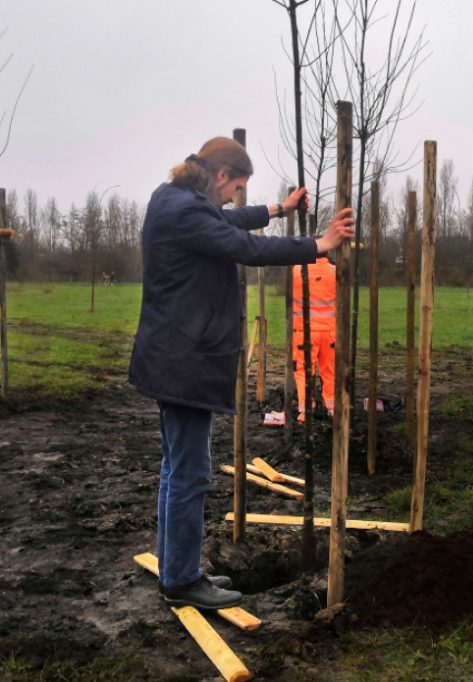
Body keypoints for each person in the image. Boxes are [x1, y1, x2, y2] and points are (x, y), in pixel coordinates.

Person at [128, 137, 355, 610]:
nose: (235, 197)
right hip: (185, 360)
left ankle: (177, 570)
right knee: (190, 472)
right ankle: (183, 580)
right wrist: (319, 244)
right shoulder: (187, 211)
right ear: (220, 175)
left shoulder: (173, 199)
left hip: (172, 355)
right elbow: (243, 246)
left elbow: (228, 222)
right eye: (236, 188)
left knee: (177, 470)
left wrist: (278, 207)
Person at [291, 255, 336, 421]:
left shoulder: (297, 270)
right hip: (330, 331)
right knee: (330, 370)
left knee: (303, 370)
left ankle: (306, 409)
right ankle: (331, 407)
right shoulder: (335, 272)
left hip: (304, 331)